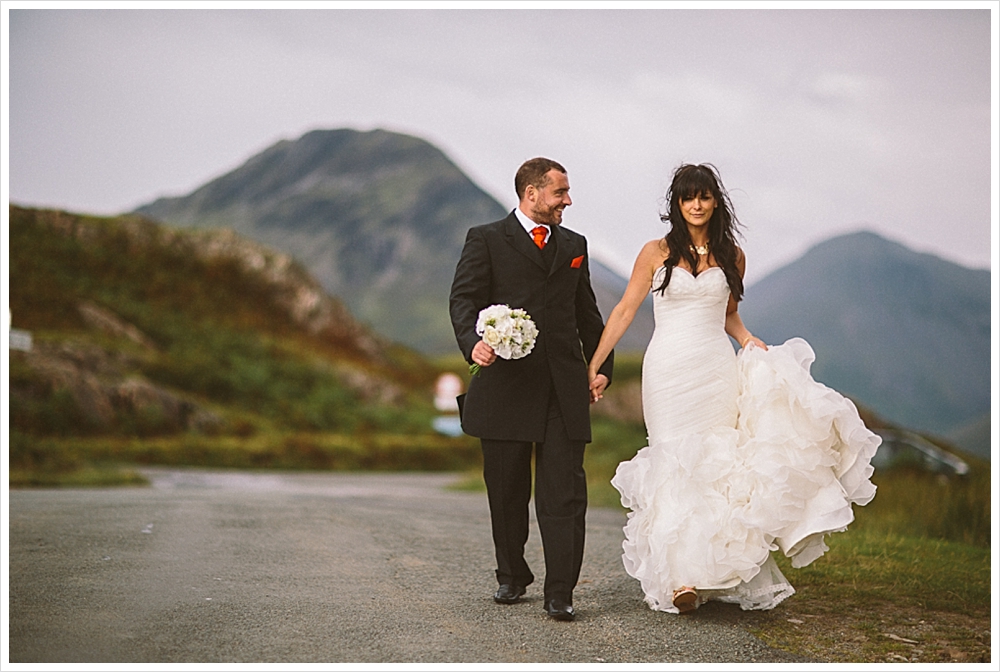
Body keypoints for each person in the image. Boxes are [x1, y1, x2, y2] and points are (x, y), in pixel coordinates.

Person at [586, 163, 879, 613]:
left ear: (715, 201)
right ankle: (680, 577)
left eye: (703, 197)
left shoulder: (733, 255)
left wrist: (746, 340)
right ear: (677, 204)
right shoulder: (655, 252)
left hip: (715, 367)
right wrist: (597, 361)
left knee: (718, 463)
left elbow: (728, 315)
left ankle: (710, 571)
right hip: (667, 369)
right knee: (673, 461)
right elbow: (625, 309)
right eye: (688, 198)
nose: (697, 205)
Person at [449, 157, 614, 621]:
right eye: (560, 192)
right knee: (506, 491)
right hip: (505, 386)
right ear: (532, 194)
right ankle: (512, 574)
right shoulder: (485, 239)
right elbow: (463, 299)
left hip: (563, 390)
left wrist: (603, 367)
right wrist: (473, 343)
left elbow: (588, 316)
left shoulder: (575, 245)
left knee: (564, 495)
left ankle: (560, 591)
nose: (568, 200)